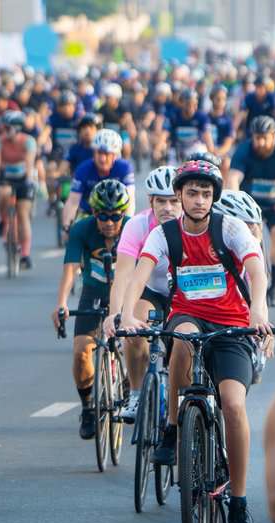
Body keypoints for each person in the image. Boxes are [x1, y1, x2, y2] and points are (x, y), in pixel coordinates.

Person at [120, 160, 272, 523]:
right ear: (181, 196)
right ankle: (173, 429)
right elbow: (140, 272)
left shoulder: (231, 229)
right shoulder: (165, 234)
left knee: (233, 404)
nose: (199, 200)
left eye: (206, 193)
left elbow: (257, 269)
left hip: (233, 326)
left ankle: (238, 501)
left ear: (213, 198)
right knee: (182, 342)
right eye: (192, 193)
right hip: (189, 315)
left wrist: (258, 308)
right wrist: (124, 314)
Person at [52, 179, 132, 439]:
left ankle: (133, 382)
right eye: (103, 216)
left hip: (127, 294)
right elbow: (70, 270)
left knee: (136, 344)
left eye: (115, 215)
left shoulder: (134, 229)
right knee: (81, 353)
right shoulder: (81, 229)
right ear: (93, 213)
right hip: (94, 293)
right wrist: (62, 302)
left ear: (124, 213)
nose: (109, 222)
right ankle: (87, 406)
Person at [102, 166, 182, 421]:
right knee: (134, 333)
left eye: (173, 201)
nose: (168, 208)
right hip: (152, 291)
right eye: (161, 201)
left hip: (187, 295)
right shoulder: (137, 226)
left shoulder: (192, 225)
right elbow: (123, 275)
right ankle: (136, 393)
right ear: (151, 201)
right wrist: (115, 315)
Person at [227, 115, 275, 305]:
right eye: (257, 138)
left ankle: (274, 287)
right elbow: (233, 179)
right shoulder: (244, 150)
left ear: (274, 136)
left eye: (265, 138)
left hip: (274, 204)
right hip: (250, 206)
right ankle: (247, 284)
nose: (261, 142)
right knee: (250, 243)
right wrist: (234, 206)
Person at [0, 110, 39, 269]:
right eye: (3, 128)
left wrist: (30, 180)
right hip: (6, 177)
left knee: (23, 213)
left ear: (17, 128)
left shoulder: (28, 141)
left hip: (24, 177)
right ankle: (4, 220)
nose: (5, 131)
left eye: (8, 128)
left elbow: (30, 161)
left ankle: (25, 253)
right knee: (2, 194)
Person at [62, 128, 135, 227]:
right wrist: (66, 226)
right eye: (99, 153)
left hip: (116, 215)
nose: (102, 158)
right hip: (89, 214)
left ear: (115, 155)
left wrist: (127, 225)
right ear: (93, 153)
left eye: (107, 154)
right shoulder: (83, 169)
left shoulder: (124, 168)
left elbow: (130, 200)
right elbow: (72, 202)